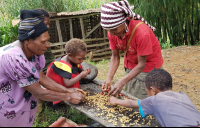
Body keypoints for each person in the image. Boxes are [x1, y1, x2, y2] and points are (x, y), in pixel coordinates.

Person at [0, 9, 86, 127]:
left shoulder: (35, 54)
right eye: (43, 42)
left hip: (21, 112)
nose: (48, 45)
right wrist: (69, 96)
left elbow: (42, 78)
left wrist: (68, 90)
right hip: (6, 113)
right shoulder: (13, 58)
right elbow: (38, 92)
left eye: (47, 41)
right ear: (27, 41)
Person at [100, 0, 163, 99]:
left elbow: (142, 64)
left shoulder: (142, 33)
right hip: (131, 63)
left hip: (148, 66)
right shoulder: (112, 32)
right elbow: (115, 56)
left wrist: (121, 81)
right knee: (131, 93)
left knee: (143, 98)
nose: (111, 34)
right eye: (109, 30)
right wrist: (109, 78)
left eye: (114, 30)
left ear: (124, 21)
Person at [109, 69, 200, 127]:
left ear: (153, 91)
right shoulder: (183, 95)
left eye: (147, 91)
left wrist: (115, 101)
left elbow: (131, 103)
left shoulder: (154, 100)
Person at [46, 38, 91, 110]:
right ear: (70, 55)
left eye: (83, 58)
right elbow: (68, 83)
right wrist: (81, 75)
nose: (82, 61)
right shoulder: (64, 66)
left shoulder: (73, 59)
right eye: (80, 59)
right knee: (61, 110)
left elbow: (80, 69)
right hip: (57, 92)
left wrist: (85, 71)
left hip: (65, 88)